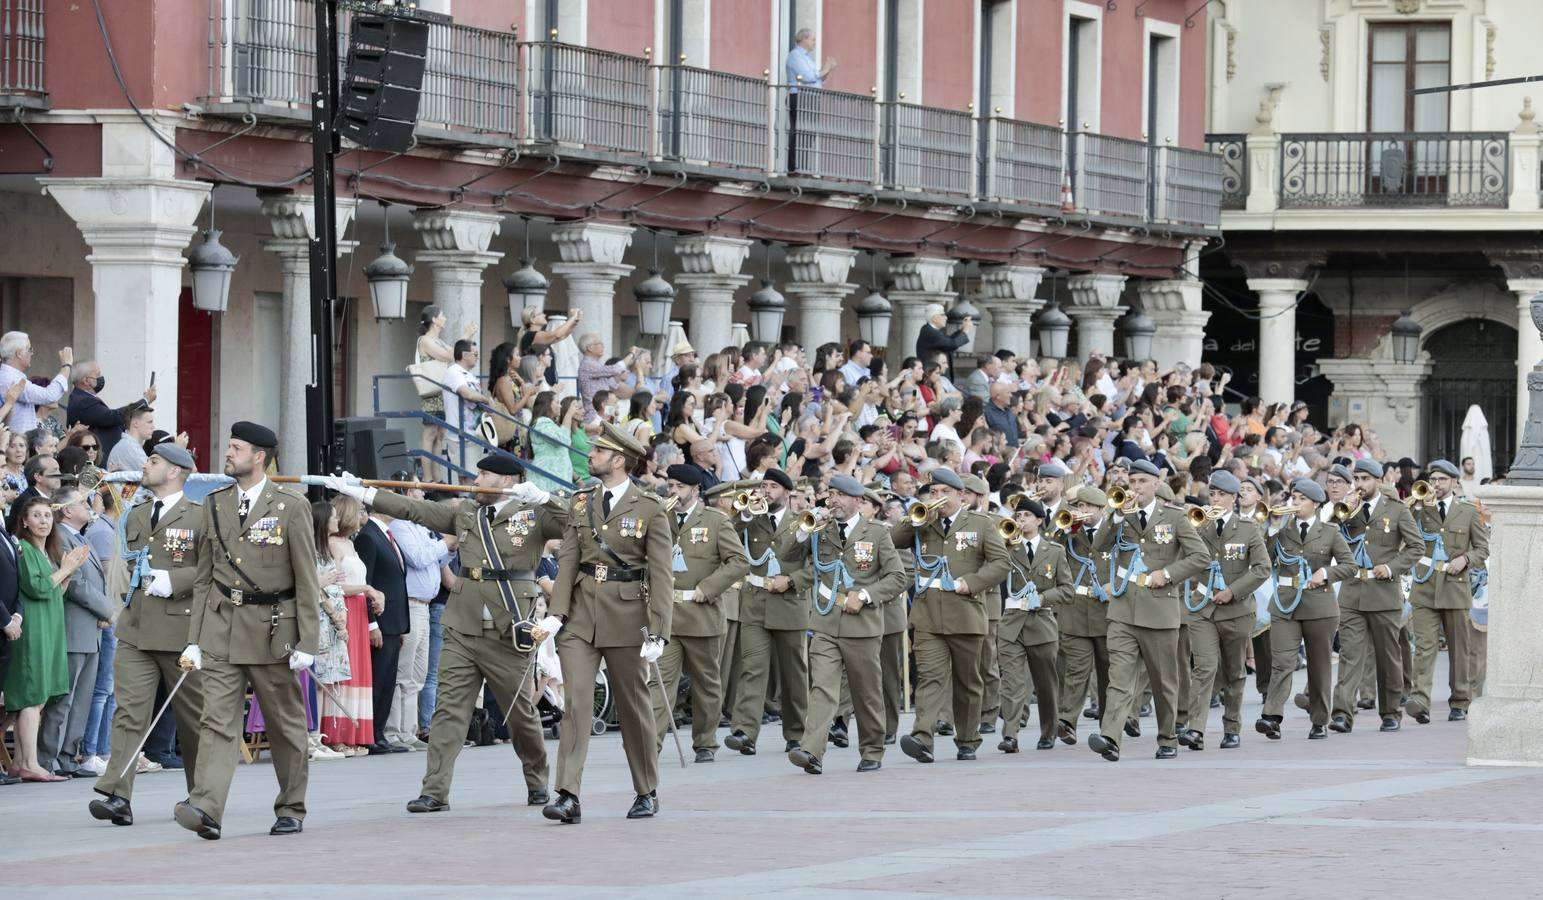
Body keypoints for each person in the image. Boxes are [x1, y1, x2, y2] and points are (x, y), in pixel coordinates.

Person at [332, 452, 566, 811]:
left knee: (520, 714)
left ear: (506, 481)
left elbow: (577, 524)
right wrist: (365, 493)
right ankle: (434, 791)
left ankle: (537, 779)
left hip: (508, 629)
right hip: (462, 625)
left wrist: (546, 498)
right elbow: (415, 511)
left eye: (483, 475)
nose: (475, 481)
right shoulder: (465, 513)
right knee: (448, 710)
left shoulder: (533, 514)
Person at [176, 421, 321, 841]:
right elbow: (205, 577)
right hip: (222, 627)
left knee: (284, 725)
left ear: (259, 457)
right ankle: (206, 806)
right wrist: (195, 636)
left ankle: (291, 806)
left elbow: (307, 578)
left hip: (272, 630)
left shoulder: (290, 505)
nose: (228, 453)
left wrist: (308, 641)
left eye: (236, 448)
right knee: (216, 721)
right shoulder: (215, 502)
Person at [543, 423, 673, 823]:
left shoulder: (649, 508)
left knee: (634, 708)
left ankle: (646, 789)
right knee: (577, 704)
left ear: (618, 460)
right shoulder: (581, 502)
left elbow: (661, 574)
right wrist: (554, 614)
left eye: (599, 451)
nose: (590, 455)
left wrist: (659, 632)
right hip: (581, 614)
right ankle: (567, 794)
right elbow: (568, 559)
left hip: (627, 614)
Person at [89, 443, 206, 825]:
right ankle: (116, 795)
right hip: (136, 629)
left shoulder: (201, 516)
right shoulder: (137, 514)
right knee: (128, 714)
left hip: (181, 632)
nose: (146, 465)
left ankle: (203, 795)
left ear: (174, 471)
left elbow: (214, 571)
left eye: (154, 461)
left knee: (193, 720)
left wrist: (176, 580)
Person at [778, 474, 906, 774]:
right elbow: (787, 554)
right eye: (830, 493)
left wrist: (864, 595)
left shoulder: (875, 532)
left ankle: (873, 748)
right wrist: (804, 529)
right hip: (825, 621)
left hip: (862, 624)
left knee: (866, 691)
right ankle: (811, 751)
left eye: (840, 495)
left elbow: (897, 578)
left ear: (858, 501)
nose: (832, 500)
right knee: (822, 687)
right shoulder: (821, 529)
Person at [1086, 459, 1209, 762]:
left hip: (1160, 609)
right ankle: (1111, 738)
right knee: (1120, 678)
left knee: (1163, 681)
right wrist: (1114, 515)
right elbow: (1098, 547)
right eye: (1133, 481)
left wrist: (1167, 575)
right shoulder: (1122, 515)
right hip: (1124, 609)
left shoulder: (1175, 517)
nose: (1136, 488)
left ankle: (1168, 737)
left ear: (1156, 484)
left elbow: (1200, 556)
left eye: (1142, 481)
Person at [890, 467, 1010, 764]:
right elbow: (893, 540)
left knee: (968, 681)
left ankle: (968, 739)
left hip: (966, 614)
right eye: (933, 492)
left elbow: (1001, 563)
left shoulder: (981, 524)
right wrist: (917, 520)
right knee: (930, 678)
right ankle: (922, 738)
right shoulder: (923, 521)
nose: (938, 498)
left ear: (961, 495)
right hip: (928, 614)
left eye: (945, 493)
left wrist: (972, 583)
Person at [648, 464, 749, 763]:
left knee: (706, 683)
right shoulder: (659, 516)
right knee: (659, 681)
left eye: (679, 487)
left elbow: (738, 561)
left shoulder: (715, 520)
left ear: (694, 490)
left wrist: (710, 586)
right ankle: (650, 744)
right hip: (666, 614)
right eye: (670, 485)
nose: (673, 492)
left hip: (702, 613)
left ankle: (705, 740)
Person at [1327, 458, 1422, 735]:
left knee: (1388, 657)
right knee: (1350, 656)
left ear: (1378, 480)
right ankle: (1342, 713)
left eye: (1365, 479)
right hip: (1353, 592)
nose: (1360, 485)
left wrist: (1392, 568)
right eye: (1356, 479)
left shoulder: (1396, 510)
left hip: (1384, 593)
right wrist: (1342, 513)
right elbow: (1329, 535)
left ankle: (1391, 712)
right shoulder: (1347, 508)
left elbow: (1416, 548)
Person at [1255, 479, 1355, 742]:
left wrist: (1326, 573)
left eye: (1301, 499)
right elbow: (1264, 560)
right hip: (1285, 604)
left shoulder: (1329, 532)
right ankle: (1272, 717)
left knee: (1319, 666)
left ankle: (1320, 720)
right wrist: (1272, 528)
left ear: (1315, 503)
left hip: (1319, 605)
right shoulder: (1283, 531)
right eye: (1293, 498)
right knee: (1282, 662)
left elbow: (1350, 565)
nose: (1294, 503)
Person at [1176, 472, 1268, 752]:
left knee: (1234, 672)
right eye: (1212, 494)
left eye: (1221, 495)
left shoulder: (1247, 528)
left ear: (1233, 498)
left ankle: (1232, 727)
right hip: (1202, 609)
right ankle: (1196, 730)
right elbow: (1184, 560)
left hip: (1236, 610)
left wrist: (1233, 590)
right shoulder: (1198, 525)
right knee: (1203, 668)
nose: (1215, 499)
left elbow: (1262, 568)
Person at [6, 495, 91, 781]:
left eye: (46, 515)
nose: (43, 521)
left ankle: (19, 761)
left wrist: (68, 571)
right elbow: (37, 587)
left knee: (39, 697)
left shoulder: (46, 552)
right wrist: (66, 569)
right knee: (33, 696)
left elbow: (56, 591)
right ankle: (30, 763)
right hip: (34, 629)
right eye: (37, 516)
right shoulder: (26, 550)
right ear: (24, 521)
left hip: (50, 625)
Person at [723, 468, 807, 757]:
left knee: (793, 673)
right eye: (764, 485)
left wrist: (794, 580)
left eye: (773, 486)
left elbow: (817, 564)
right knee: (752, 668)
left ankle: (796, 732)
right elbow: (728, 539)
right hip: (756, 602)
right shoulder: (750, 519)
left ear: (787, 492)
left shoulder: (801, 523)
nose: (766, 490)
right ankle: (745, 731)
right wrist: (744, 516)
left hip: (790, 604)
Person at [37, 486, 114, 778]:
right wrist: (107, 610)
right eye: (82, 502)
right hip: (73, 627)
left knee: (81, 698)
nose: (89, 505)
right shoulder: (61, 537)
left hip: (90, 629)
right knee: (63, 699)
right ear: (67, 510)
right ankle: (48, 757)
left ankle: (69, 755)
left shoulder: (81, 537)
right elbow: (77, 584)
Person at [1405, 459, 1489, 725]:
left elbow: (1482, 549)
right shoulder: (1419, 508)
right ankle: (1420, 701)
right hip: (1426, 586)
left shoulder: (1467, 510)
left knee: (1459, 649)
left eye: (1442, 480)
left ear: (1454, 482)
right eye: (1433, 480)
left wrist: (1465, 560)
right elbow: (1405, 539)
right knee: (1425, 647)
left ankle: (1460, 700)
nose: (1436, 485)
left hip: (1455, 587)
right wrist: (1415, 507)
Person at [995, 497, 1071, 752]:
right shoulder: (1006, 548)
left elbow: (1067, 590)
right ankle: (1010, 736)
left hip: (1041, 624)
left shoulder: (1055, 552)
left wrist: (1043, 598)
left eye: (1027, 515)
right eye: (1019, 516)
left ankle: (1049, 731)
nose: (1021, 520)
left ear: (1039, 520)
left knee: (1046, 684)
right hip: (1012, 625)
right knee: (1012, 683)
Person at [385, 484, 451, 752]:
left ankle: (408, 730)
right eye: (418, 490)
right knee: (403, 670)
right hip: (410, 603)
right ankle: (393, 731)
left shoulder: (422, 527)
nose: (423, 494)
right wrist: (444, 543)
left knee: (418, 673)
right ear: (406, 495)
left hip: (424, 604)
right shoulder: (401, 526)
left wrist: (450, 547)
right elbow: (420, 558)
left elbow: (437, 559)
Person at [1053, 486, 1111, 745]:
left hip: (1106, 611)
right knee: (1076, 669)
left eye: (1088, 507)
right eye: (1080, 506)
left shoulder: (1112, 531)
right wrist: (1063, 532)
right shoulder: (1068, 533)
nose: (1083, 512)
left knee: (1108, 671)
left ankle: (1109, 725)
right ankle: (1066, 721)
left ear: (1101, 509)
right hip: (1075, 611)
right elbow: (1048, 552)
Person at [322, 495, 376, 755]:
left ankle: (355, 732)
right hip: (344, 607)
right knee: (343, 670)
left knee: (358, 670)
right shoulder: (332, 544)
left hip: (358, 609)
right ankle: (335, 733)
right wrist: (366, 588)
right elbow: (332, 583)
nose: (362, 516)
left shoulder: (349, 544)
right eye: (359, 511)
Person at [356, 500, 410, 756]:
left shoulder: (387, 536)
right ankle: (371, 735)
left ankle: (379, 733)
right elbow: (366, 583)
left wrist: (401, 625)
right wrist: (371, 623)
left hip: (394, 621)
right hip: (380, 620)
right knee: (377, 680)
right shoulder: (368, 536)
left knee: (388, 681)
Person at [415, 305, 475, 480]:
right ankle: (427, 478)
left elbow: (452, 354)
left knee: (440, 435)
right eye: (442, 315)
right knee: (430, 434)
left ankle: (437, 476)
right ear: (434, 319)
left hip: (441, 392)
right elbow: (449, 356)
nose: (445, 318)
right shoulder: (425, 340)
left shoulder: (438, 340)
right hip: (431, 392)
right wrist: (464, 336)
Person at [65, 360, 156, 463]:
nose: (101, 377)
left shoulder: (84, 398)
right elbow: (113, 417)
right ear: (86, 381)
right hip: (97, 461)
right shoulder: (83, 401)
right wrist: (145, 401)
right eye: (97, 374)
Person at [784, 26, 836, 172]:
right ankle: (793, 166)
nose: (815, 42)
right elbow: (807, 78)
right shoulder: (795, 55)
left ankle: (803, 165)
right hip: (800, 96)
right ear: (803, 39)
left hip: (811, 97)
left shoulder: (808, 58)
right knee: (799, 130)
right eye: (812, 39)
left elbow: (819, 80)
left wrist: (828, 70)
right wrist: (824, 69)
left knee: (809, 132)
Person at [0, 332, 73, 433]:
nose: (32, 353)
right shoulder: (13, 379)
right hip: (17, 445)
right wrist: (66, 366)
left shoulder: (8, 375)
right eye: (30, 349)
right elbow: (49, 396)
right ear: (19, 354)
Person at [441, 341, 492, 474]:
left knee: (474, 473)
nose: (477, 357)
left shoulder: (470, 375)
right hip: (460, 433)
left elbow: (474, 398)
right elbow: (467, 393)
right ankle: (465, 495)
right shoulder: (453, 371)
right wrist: (487, 400)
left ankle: (466, 495)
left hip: (474, 432)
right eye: (475, 354)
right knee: (468, 475)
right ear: (464, 355)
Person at [577, 334, 640, 423]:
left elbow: (610, 385)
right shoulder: (587, 365)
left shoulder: (596, 364)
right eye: (600, 344)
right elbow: (614, 369)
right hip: (594, 416)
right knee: (600, 436)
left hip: (604, 412)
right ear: (590, 348)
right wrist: (631, 354)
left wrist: (620, 374)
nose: (603, 346)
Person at [914, 304, 973, 378]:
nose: (946, 317)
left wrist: (961, 330)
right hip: (933, 377)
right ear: (934, 318)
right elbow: (951, 344)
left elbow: (949, 341)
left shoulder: (932, 330)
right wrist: (965, 331)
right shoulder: (929, 332)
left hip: (938, 376)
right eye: (943, 315)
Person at [103, 404, 157, 473]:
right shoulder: (130, 448)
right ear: (136, 423)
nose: (153, 427)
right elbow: (153, 474)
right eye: (149, 422)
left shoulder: (128, 445)